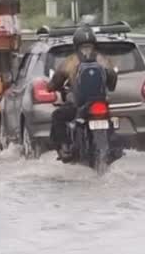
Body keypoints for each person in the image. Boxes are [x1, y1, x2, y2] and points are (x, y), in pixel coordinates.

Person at [47, 25, 119, 160]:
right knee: (111, 121)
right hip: (101, 103)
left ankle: (64, 148)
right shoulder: (103, 59)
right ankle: (114, 148)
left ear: (75, 44)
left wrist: (51, 87)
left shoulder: (70, 61)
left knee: (57, 116)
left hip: (78, 106)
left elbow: (54, 83)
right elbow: (112, 81)